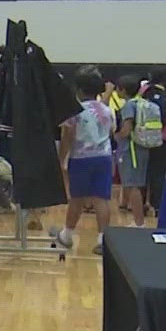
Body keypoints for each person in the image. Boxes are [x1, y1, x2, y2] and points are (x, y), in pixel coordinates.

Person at [53, 67, 115, 254]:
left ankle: (67, 234)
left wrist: (61, 158)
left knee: (77, 198)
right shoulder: (107, 110)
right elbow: (111, 132)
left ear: (78, 89)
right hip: (104, 157)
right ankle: (103, 239)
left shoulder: (74, 111)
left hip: (81, 158)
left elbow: (68, 136)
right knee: (101, 198)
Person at [114, 74, 158, 228]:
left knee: (132, 185)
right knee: (137, 185)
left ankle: (139, 223)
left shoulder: (128, 106)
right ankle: (139, 221)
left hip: (130, 150)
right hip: (142, 148)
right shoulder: (143, 102)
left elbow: (126, 128)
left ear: (123, 90)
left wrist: (116, 136)